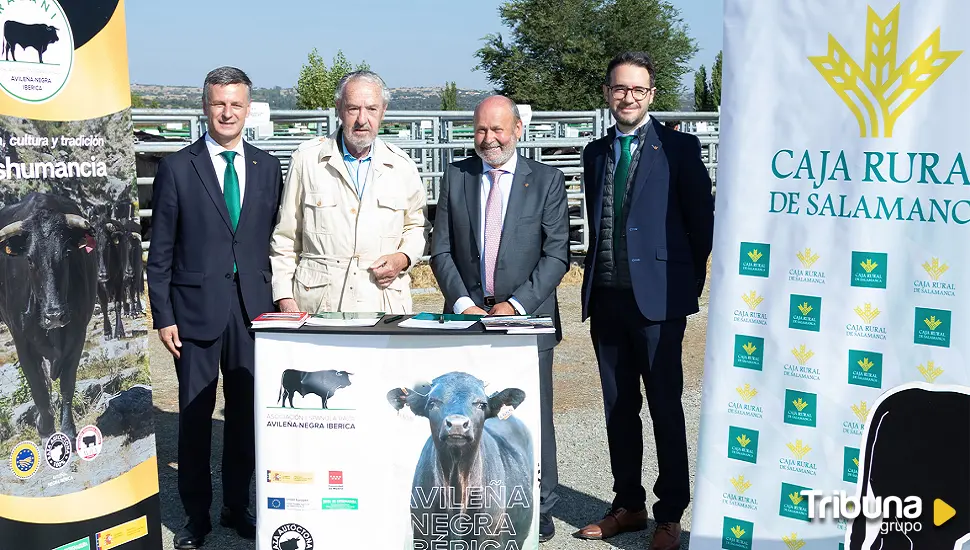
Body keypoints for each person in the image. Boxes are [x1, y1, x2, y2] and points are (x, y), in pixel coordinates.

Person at [574, 52, 714, 550]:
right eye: (619, 88)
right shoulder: (595, 153)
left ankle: (670, 513)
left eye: (637, 89)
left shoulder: (679, 148)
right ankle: (628, 504)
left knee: (665, 408)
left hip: (660, 305)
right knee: (618, 408)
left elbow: (702, 226)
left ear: (651, 94)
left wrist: (682, 289)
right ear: (608, 93)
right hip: (607, 299)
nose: (627, 97)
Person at [146, 67, 284, 549]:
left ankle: (236, 505)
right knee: (195, 415)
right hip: (194, 313)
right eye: (219, 104)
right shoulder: (177, 168)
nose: (228, 113)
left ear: (249, 109)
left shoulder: (268, 168)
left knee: (246, 416)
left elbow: (272, 241)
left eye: (237, 104)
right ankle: (196, 517)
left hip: (253, 313)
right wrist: (163, 315)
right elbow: (159, 252)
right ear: (205, 107)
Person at [429, 95, 570, 542]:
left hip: (526, 321)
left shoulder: (545, 181)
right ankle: (465, 506)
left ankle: (539, 506)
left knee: (532, 418)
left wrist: (518, 305)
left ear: (518, 131)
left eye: (498, 130)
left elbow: (556, 253)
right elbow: (441, 249)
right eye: (481, 131)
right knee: (468, 413)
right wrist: (461, 303)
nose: (489, 140)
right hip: (469, 317)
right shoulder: (457, 176)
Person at [271, 70, 429, 314]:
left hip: (383, 302)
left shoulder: (401, 166)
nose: (362, 119)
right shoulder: (307, 161)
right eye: (353, 108)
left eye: (372, 109)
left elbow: (416, 227)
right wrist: (284, 296)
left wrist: (403, 258)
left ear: (383, 111)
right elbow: (285, 237)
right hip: (319, 305)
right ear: (338, 108)